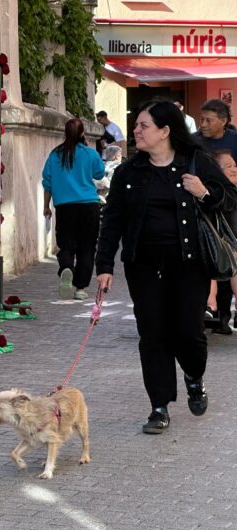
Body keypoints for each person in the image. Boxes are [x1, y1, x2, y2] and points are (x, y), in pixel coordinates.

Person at [95, 99, 237, 435]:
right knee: (153, 334)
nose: (136, 131)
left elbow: (231, 197)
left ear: (165, 131)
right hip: (143, 267)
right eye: (137, 125)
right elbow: (112, 220)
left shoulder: (196, 162)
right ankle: (159, 406)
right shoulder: (129, 172)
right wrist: (104, 267)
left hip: (190, 265)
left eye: (143, 125)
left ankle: (193, 375)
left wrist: (204, 192)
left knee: (188, 332)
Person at [42, 118, 105, 300]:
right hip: (89, 206)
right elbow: (99, 173)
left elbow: (47, 183)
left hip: (64, 207)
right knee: (87, 247)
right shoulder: (89, 153)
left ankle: (67, 267)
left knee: (66, 244)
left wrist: (46, 206)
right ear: (83, 133)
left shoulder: (55, 155)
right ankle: (80, 288)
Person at [196, 98, 237, 333]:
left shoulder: (234, 141)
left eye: (208, 120)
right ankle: (210, 309)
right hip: (203, 207)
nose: (203, 124)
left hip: (230, 208)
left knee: (230, 256)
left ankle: (223, 313)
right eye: (201, 119)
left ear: (223, 122)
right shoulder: (193, 141)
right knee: (210, 255)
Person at [209, 148, 237, 332]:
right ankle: (211, 308)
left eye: (234, 164)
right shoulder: (215, 191)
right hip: (216, 243)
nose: (234, 169)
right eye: (228, 166)